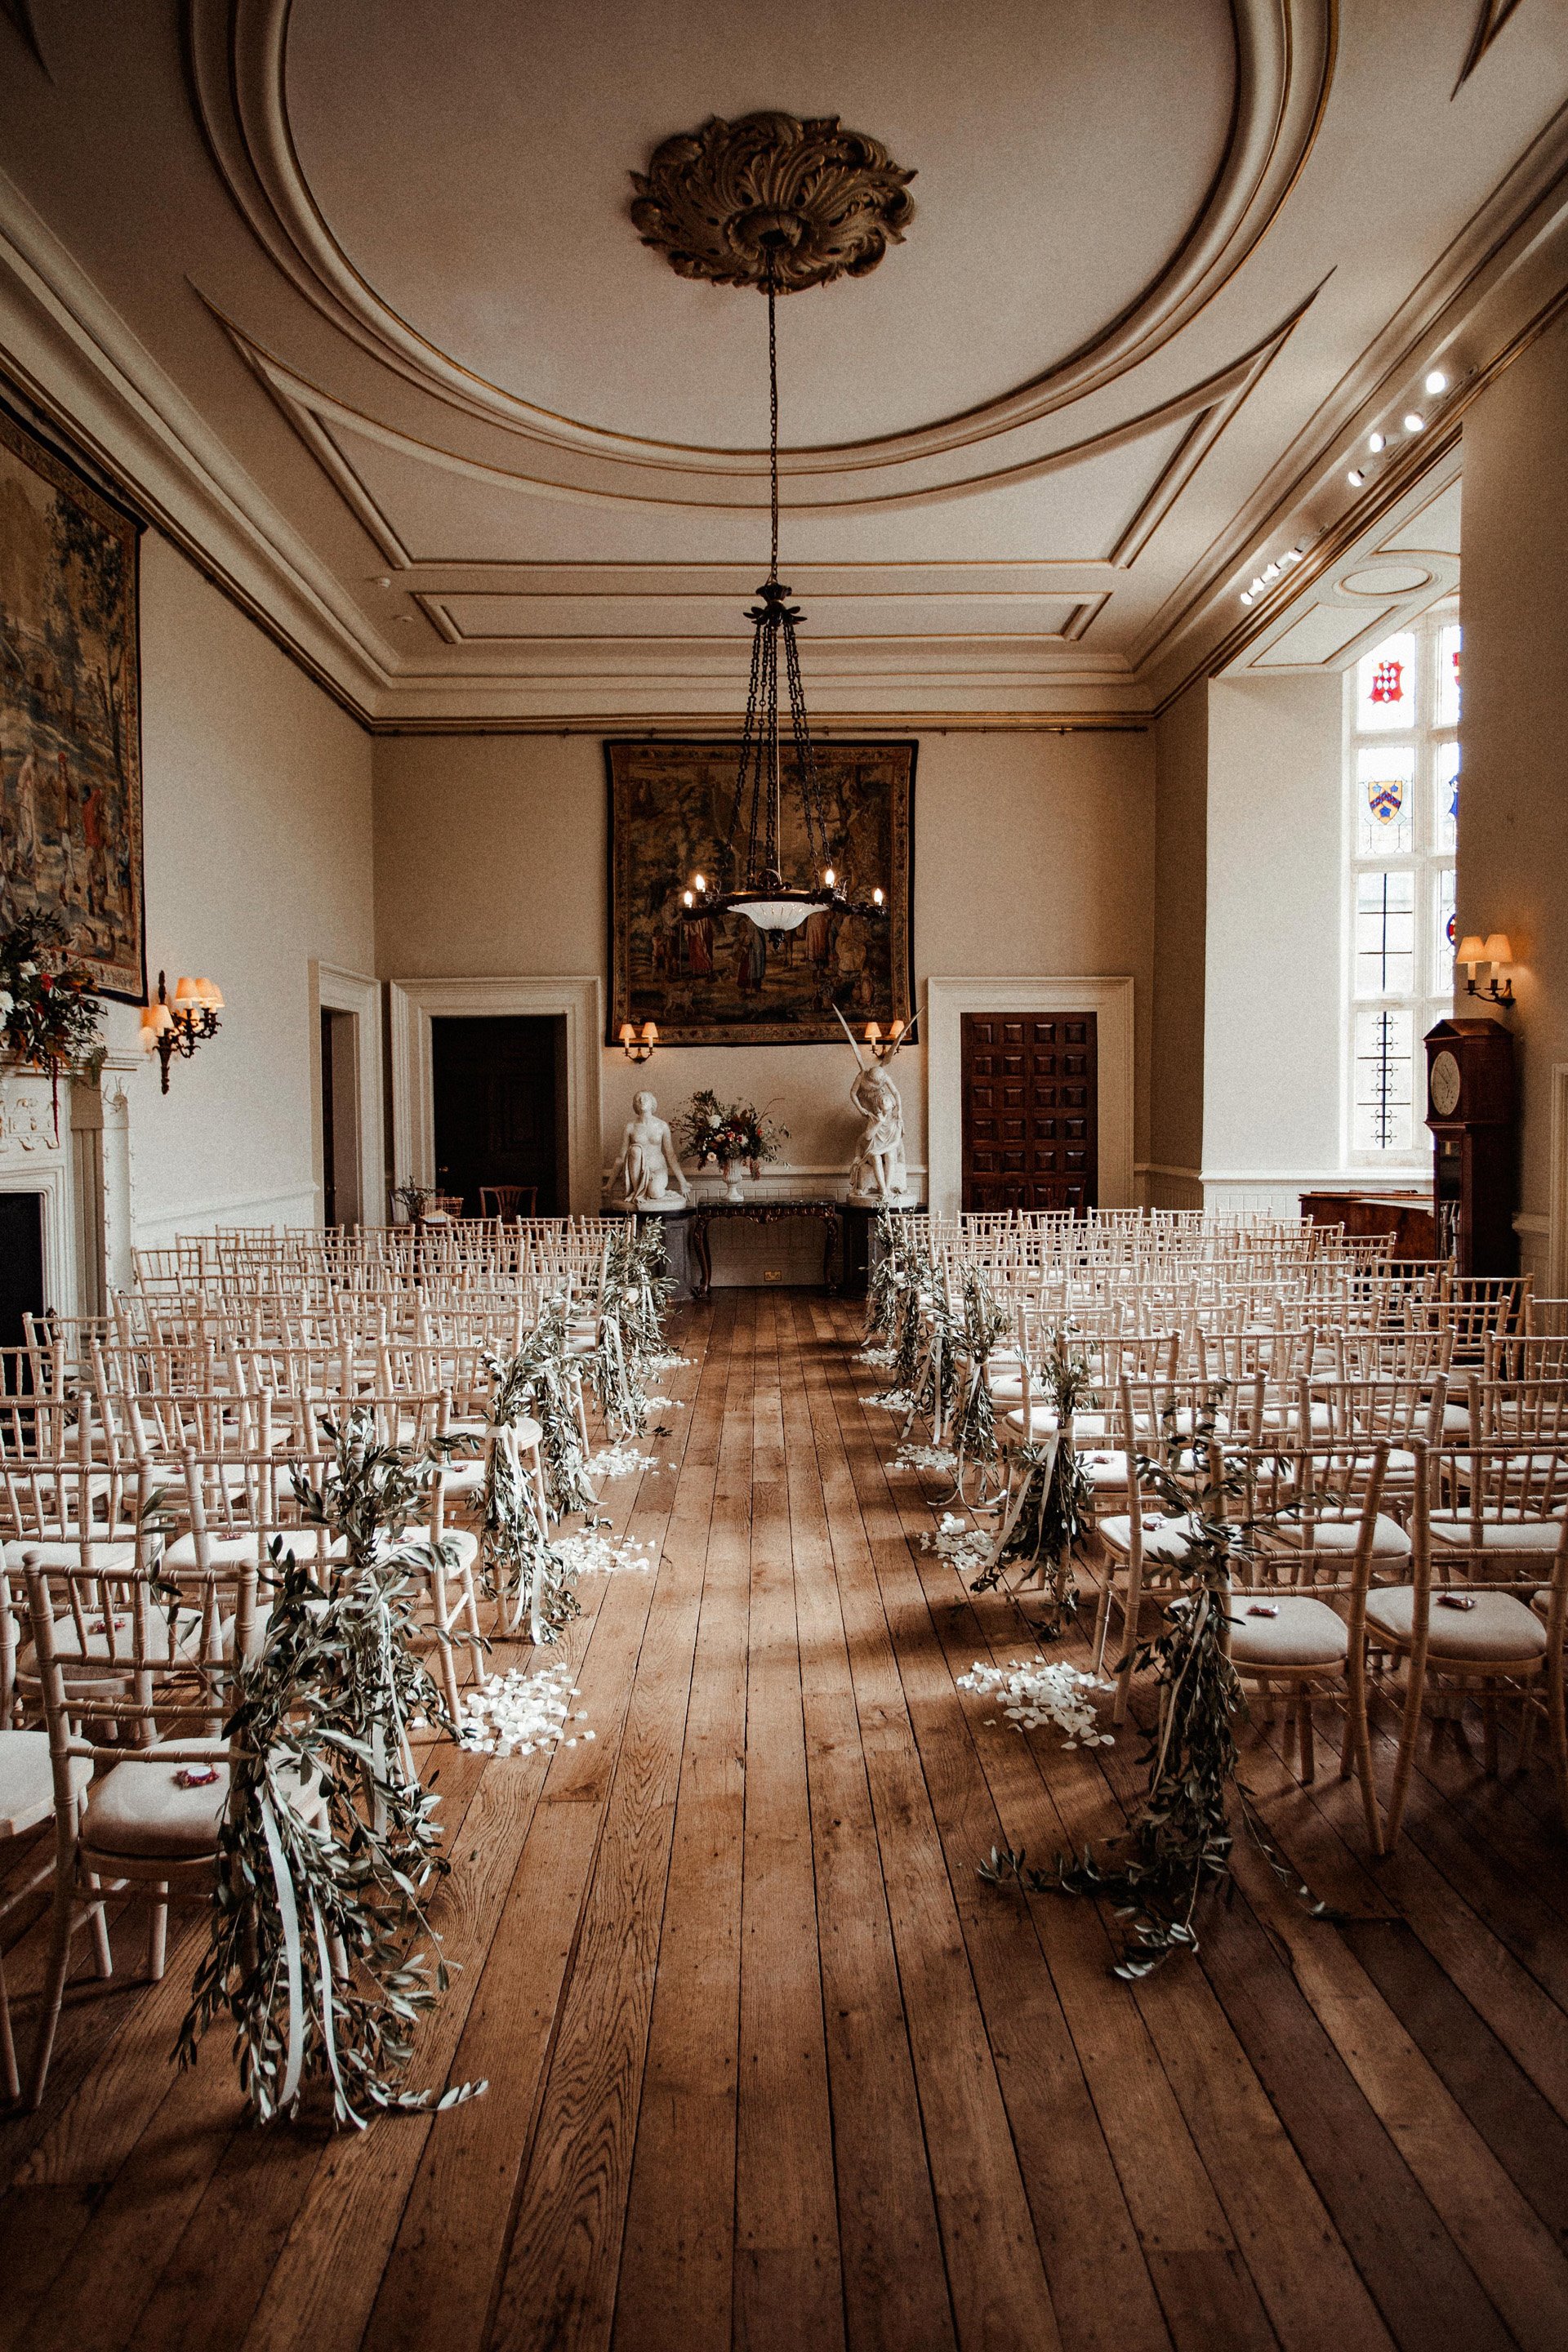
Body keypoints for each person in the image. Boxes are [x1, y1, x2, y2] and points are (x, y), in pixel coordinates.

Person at [611, 1091, 691, 1210]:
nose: (642, 1101)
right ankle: (637, 1192)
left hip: (657, 1169)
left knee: (655, 1193)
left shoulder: (662, 1126)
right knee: (635, 1149)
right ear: (635, 1105)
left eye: (645, 1098)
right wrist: (609, 1184)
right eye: (638, 1099)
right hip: (637, 1174)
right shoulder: (630, 1127)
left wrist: (683, 1182)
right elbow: (621, 1158)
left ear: (653, 1103)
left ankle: (652, 1189)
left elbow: (671, 1155)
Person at [849, 1062, 908, 1201]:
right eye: (881, 1101)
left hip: (885, 1149)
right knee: (874, 1157)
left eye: (886, 1100)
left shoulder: (897, 1121)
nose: (882, 1102)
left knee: (890, 1154)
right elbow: (868, 1136)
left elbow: (895, 1143)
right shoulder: (875, 1119)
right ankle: (883, 1189)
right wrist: (878, 1121)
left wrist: (900, 1111)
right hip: (873, 1150)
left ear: (893, 1104)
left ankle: (887, 1188)